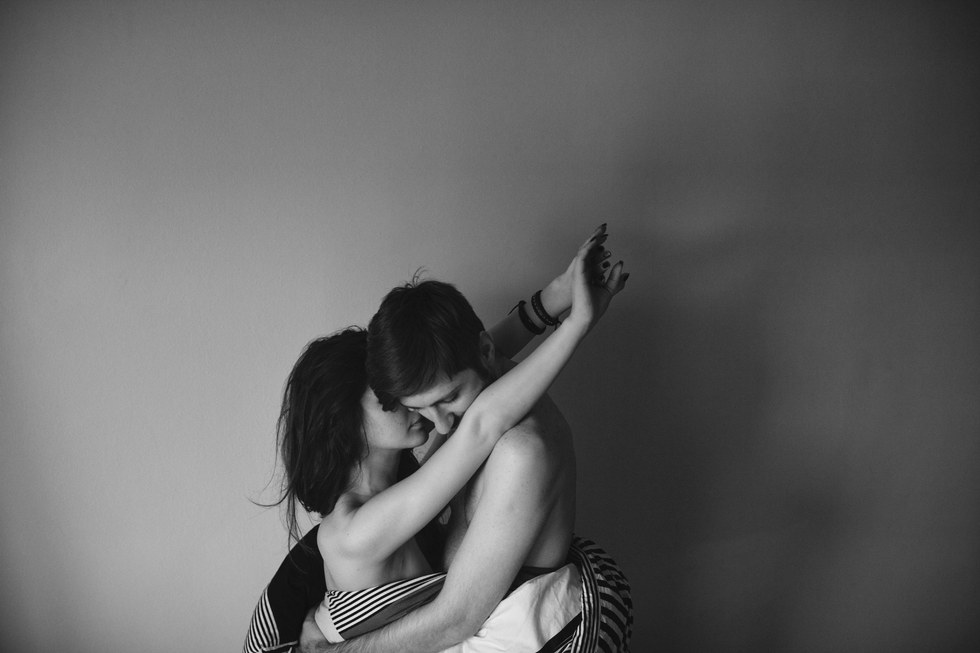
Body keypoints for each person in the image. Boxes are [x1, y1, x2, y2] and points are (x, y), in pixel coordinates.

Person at [245, 226, 623, 653]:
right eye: (394, 401)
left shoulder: (419, 479)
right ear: (345, 422)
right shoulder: (356, 527)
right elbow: (475, 406)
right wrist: (576, 323)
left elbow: (468, 366)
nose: (436, 422)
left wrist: (556, 299)